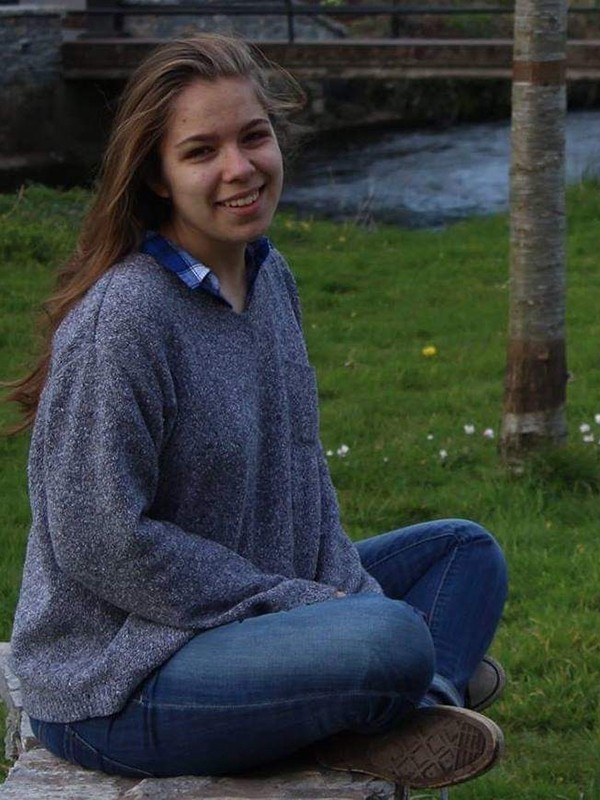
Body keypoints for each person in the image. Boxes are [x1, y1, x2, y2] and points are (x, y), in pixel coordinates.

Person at [6, 33, 508, 792]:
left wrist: (335, 590)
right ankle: (408, 688)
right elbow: (101, 542)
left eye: (254, 136)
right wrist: (310, 607)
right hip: (120, 678)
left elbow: (301, 476)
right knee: (394, 638)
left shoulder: (271, 281)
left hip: (241, 612)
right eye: (202, 151)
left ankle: (415, 708)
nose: (239, 169)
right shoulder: (128, 319)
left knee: (465, 555)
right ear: (158, 176)